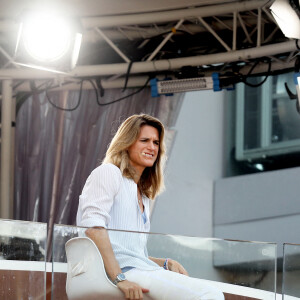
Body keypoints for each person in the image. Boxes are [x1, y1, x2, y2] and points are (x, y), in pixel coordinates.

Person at [76, 114, 224, 300]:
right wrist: (119, 278)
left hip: (134, 270)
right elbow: (93, 229)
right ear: (127, 144)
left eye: (156, 142)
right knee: (210, 294)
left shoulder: (143, 194)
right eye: (144, 140)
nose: (152, 147)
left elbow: (132, 253)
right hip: (116, 273)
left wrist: (164, 263)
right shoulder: (109, 173)